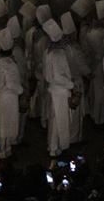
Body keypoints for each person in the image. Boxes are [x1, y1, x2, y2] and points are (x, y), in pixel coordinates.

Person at [43, 19, 75, 157]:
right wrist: (71, 84)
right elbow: (59, 76)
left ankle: (53, 147)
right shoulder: (58, 54)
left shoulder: (48, 51)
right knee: (59, 120)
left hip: (54, 90)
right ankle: (56, 147)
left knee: (55, 120)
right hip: (60, 91)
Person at [0, 29, 24, 158]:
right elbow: (12, 83)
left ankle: (4, 150)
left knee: (3, 125)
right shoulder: (9, 64)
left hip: (0, 97)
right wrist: (21, 90)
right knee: (8, 125)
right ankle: (5, 151)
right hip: (9, 97)